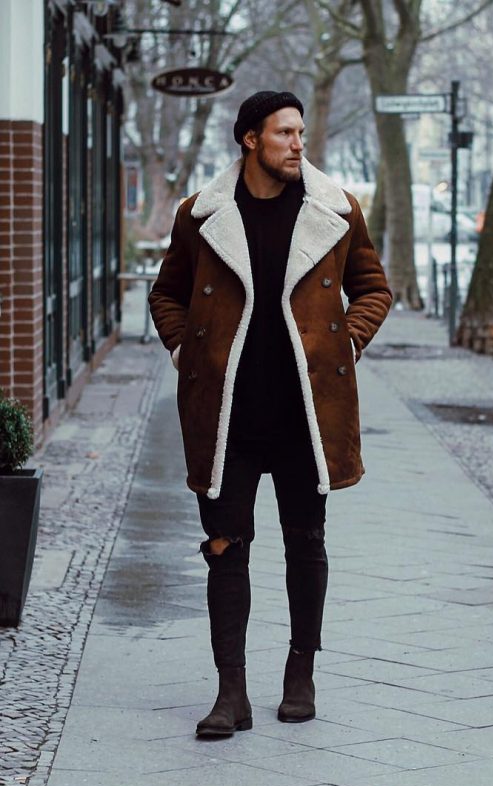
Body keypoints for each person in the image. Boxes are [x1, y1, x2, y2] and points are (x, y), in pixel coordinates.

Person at [148, 90, 392, 737]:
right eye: (284, 133)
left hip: (305, 418)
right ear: (250, 139)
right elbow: (166, 293)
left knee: (305, 546)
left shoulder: (335, 211)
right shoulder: (200, 216)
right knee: (226, 551)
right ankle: (231, 693)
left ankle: (300, 672)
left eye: (301, 133)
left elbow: (373, 288)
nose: (297, 144)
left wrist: (350, 340)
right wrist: (182, 349)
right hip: (226, 418)